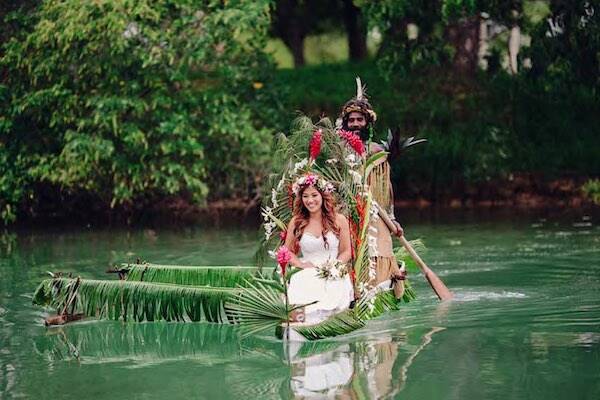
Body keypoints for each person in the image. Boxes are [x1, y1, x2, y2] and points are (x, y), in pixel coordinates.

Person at [338, 78, 406, 296]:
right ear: (345, 123)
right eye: (352, 120)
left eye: (360, 120)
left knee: (379, 248)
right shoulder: (336, 150)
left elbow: (386, 186)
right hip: (345, 208)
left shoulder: (376, 150)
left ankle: (381, 285)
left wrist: (392, 217)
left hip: (375, 211)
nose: (356, 124)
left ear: (367, 123)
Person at [283, 173, 354, 325]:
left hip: (333, 269)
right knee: (302, 281)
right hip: (307, 269)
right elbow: (287, 251)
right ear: (300, 199)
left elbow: (347, 251)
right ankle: (299, 323)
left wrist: (333, 266)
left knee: (330, 289)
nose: (310, 200)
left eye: (314, 195)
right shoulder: (296, 222)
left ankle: (326, 322)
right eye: (305, 196)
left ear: (323, 196)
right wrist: (300, 264)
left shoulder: (339, 220)